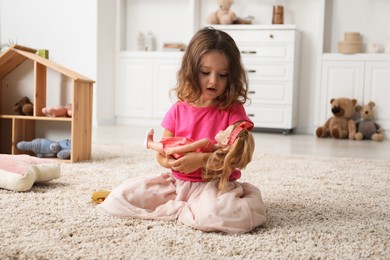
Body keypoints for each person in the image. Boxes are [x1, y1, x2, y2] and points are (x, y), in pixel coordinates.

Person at [99, 27, 266, 234]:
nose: (213, 81)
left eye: (222, 75)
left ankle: (195, 209)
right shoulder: (178, 109)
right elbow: (162, 153)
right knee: (119, 198)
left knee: (230, 215)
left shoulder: (233, 111)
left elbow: (237, 156)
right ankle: (185, 208)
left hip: (214, 186)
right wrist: (170, 162)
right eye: (205, 73)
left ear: (231, 76)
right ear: (191, 70)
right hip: (177, 184)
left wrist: (202, 161)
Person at [144, 121, 255, 190]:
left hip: (182, 153)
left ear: (226, 141)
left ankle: (150, 143)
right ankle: (150, 143)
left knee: (165, 146)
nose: (221, 130)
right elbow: (163, 156)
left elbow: (188, 148)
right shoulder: (215, 151)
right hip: (181, 169)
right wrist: (171, 163)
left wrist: (174, 150)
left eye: (224, 131)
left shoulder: (207, 143)